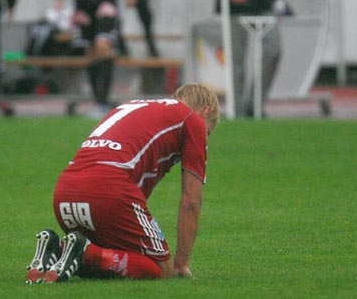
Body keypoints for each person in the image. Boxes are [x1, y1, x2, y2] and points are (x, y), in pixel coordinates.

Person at [24, 82, 219, 283]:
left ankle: (57, 250)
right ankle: (85, 253)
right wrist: (181, 265)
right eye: (208, 133)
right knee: (160, 269)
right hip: (108, 193)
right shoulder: (192, 119)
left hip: (65, 194)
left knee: (119, 255)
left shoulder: (132, 106)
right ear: (205, 112)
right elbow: (192, 202)